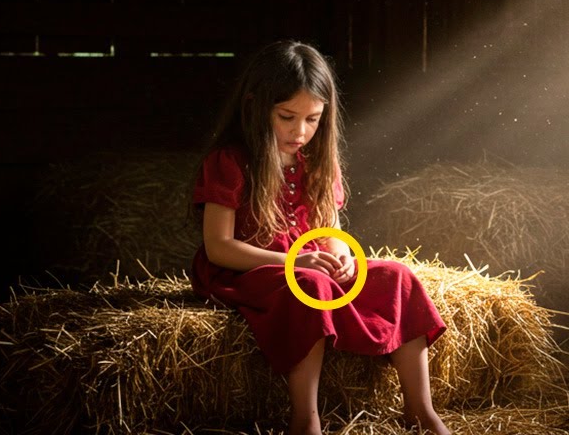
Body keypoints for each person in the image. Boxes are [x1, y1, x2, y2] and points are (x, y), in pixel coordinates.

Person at [189, 40, 450, 435]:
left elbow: (331, 233)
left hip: (309, 266)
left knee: (398, 277)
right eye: (287, 117)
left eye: (313, 119)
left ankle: (420, 410)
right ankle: (305, 418)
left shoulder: (318, 163)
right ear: (256, 107)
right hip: (250, 270)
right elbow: (219, 247)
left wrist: (343, 258)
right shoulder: (229, 161)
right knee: (308, 285)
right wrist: (294, 263)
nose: (300, 131)